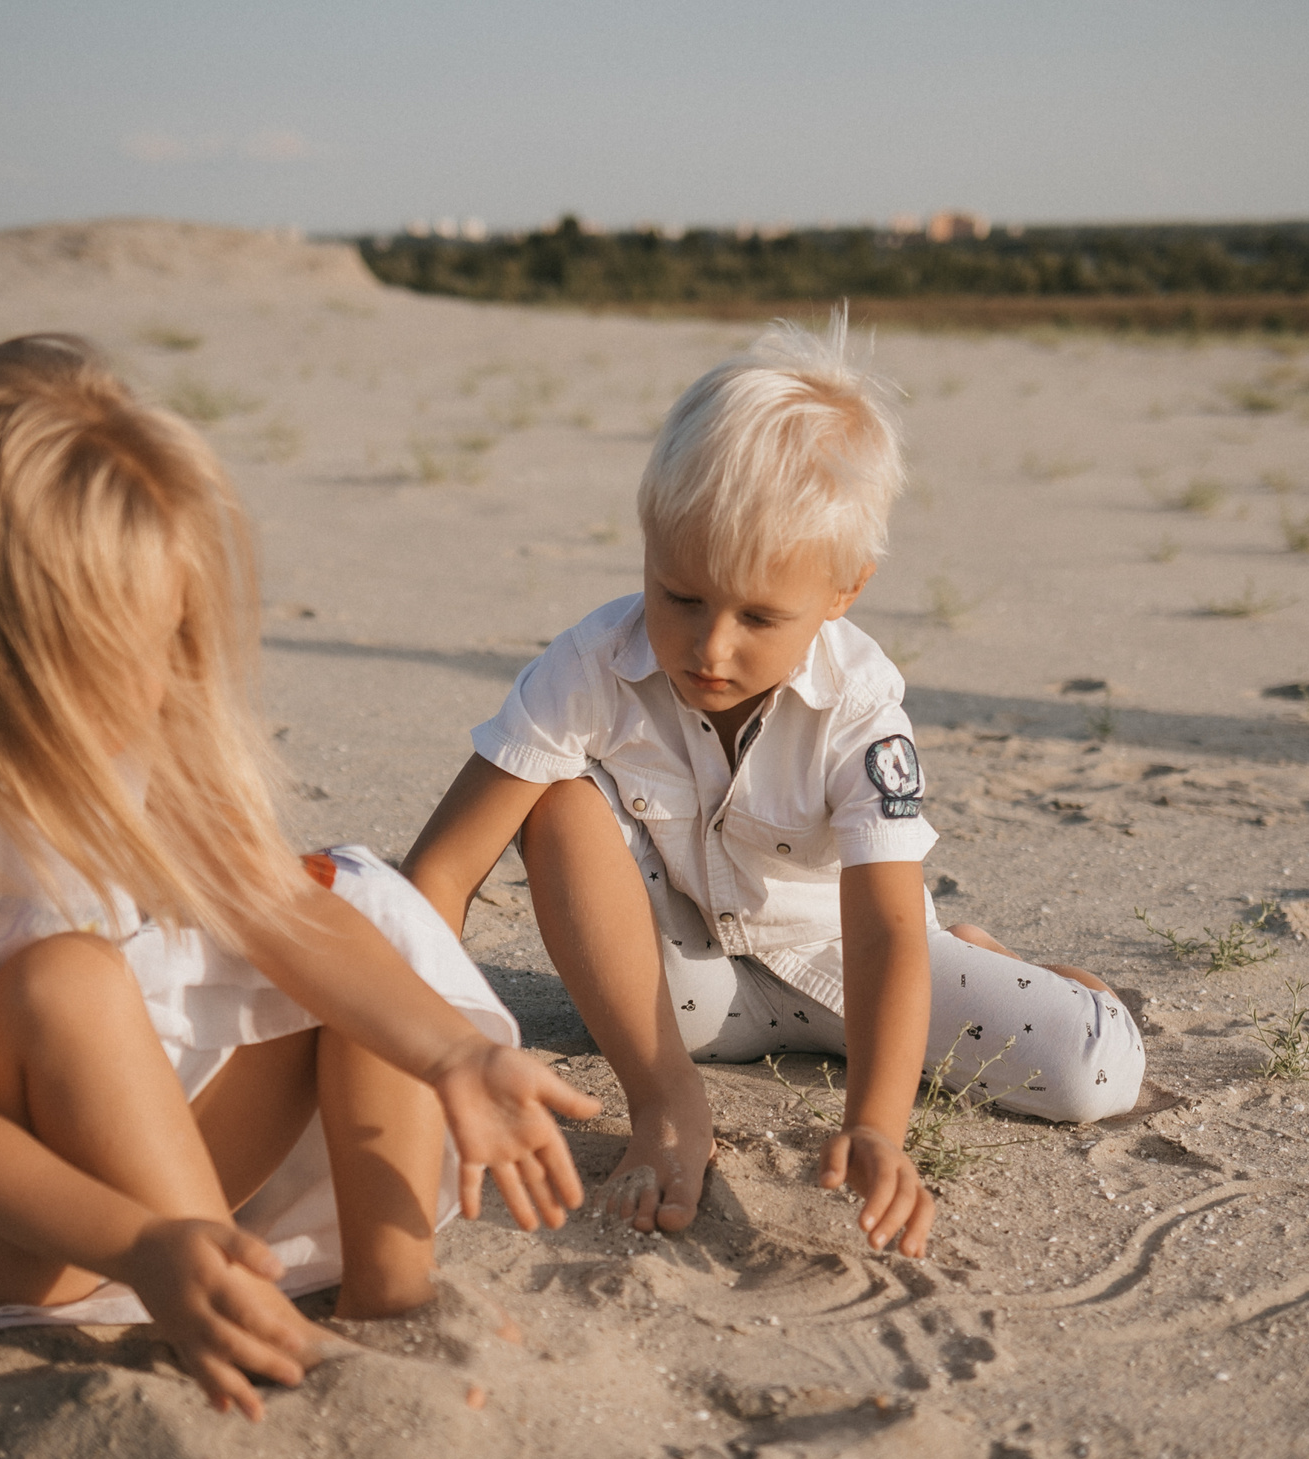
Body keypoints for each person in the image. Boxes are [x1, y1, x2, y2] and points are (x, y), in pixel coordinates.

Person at [0, 335, 596, 1418]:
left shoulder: (147, 751)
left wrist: (455, 1052)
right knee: (64, 981)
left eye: (177, 637)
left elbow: (282, 918)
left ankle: (388, 1295)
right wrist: (147, 1242)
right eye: (130, 652)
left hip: (154, 1148)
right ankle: (221, 1301)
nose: (170, 680)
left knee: (343, 909)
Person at [403, 312, 1142, 1259]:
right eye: (680, 596)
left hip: (855, 966)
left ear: (845, 591)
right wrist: (425, 1054)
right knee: (553, 796)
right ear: (647, 546)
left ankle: (1001, 963)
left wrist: (876, 1127)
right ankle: (671, 1106)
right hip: (687, 992)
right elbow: (442, 870)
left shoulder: (862, 706)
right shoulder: (587, 664)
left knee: (1090, 1074)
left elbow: (879, 928)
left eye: (759, 614)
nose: (710, 647)